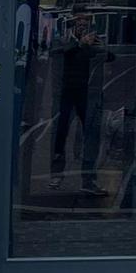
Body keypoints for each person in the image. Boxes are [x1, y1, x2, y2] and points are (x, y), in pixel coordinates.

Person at [51, 15, 104, 195]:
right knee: (60, 133)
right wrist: (80, 44)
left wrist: (99, 47)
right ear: (73, 26)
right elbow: (58, 52)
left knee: (90, 135)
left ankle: (88, 180)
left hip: (86, 94)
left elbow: (109, 57)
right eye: (79, 25)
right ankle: (56, 174)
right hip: (65, 93)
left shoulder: (91, 44)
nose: (82, 28)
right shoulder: (64, 40)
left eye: (85, 25)